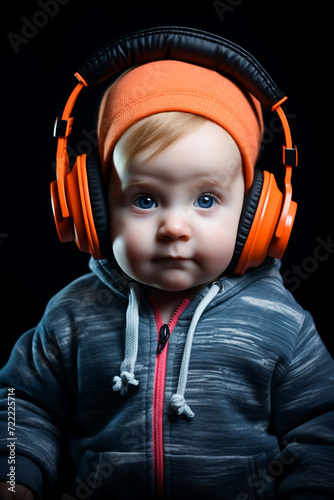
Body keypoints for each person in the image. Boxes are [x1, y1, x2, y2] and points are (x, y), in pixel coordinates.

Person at [0, 48, 334, 500]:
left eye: (206, 199)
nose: (174, 228)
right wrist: (14, 476)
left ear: (258, 215)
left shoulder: (281, 323)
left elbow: (320, 426)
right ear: (93, 210)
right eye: (144, 199)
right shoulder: (71, 316)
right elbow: (23, 405)